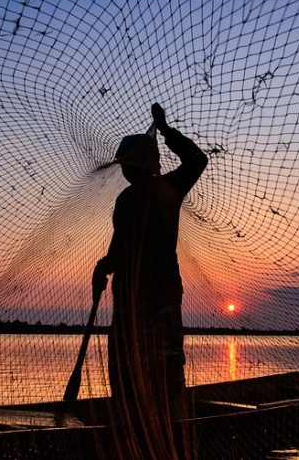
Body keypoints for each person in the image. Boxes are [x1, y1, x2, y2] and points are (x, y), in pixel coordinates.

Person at [92, 103, 207, 459]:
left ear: (138, 166)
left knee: (160, 356)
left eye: (129, 165)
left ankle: (164, 425)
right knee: (133, 357)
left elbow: (197, 161)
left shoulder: (163, 189)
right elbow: (118, 246)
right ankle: (137, 421)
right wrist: (104, 267)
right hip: (132, 289)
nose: (125, 171)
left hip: (154, 289)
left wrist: (166, 130)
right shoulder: (130, 198)